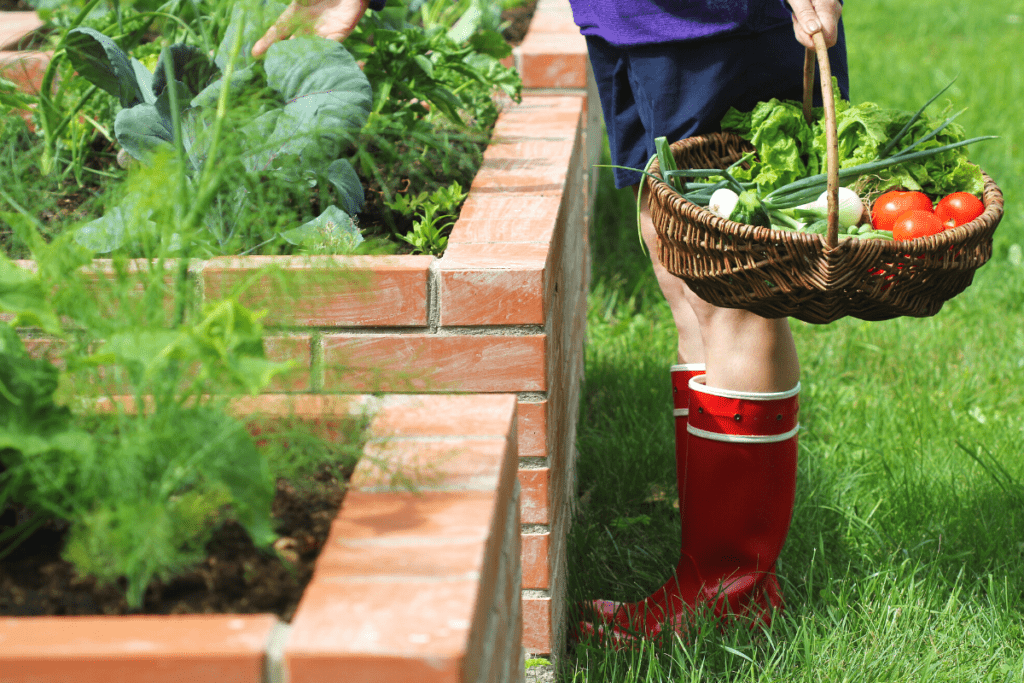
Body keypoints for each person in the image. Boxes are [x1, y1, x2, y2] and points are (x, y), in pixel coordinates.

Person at [569, 0, 849, 643]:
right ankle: (703, 565)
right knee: (679, 251)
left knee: (734, 284)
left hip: (723, 22)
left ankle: (731, 586)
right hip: (631, 16)